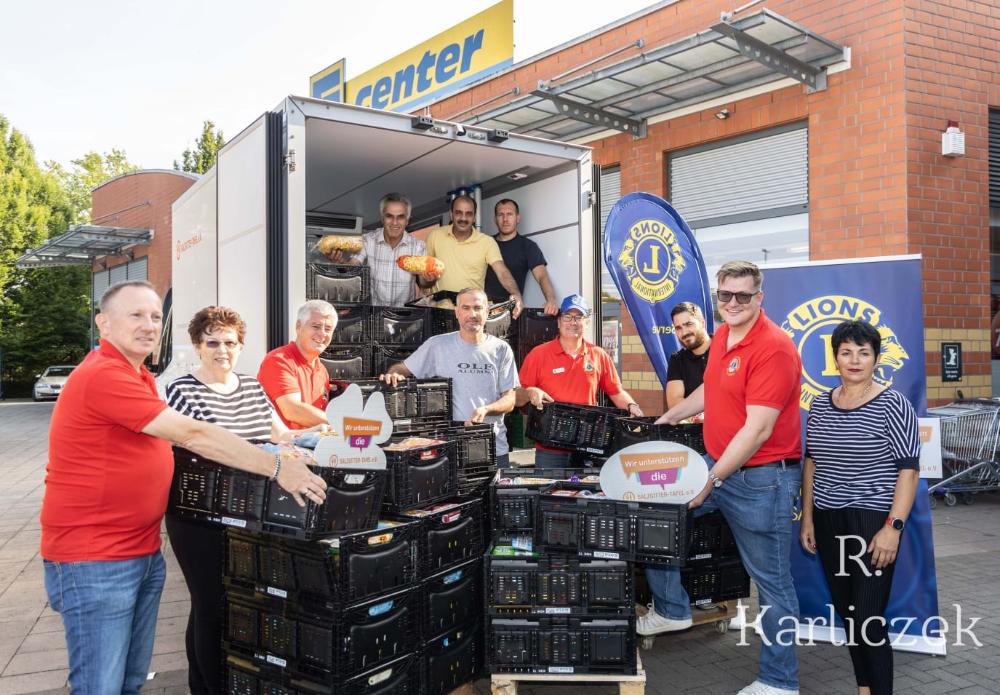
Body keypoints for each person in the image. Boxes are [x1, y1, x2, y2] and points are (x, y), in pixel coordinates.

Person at [40, 281, 327, 695]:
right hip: (95, 559)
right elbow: (193, 434)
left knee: (127, 680)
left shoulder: (137, 375)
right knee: (99, 685)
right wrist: (277, 466)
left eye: (155, 316)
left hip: (137, 549)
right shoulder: (104, 374)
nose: (148, 325)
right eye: (135, 315)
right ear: (103, 322)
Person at [647, 261, 803, 695]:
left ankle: (780, 681)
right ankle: (673, 608)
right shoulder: (722, 340)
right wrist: (666, 418)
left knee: (772, 584)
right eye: (725, 295)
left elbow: (758, 430)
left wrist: (711, 478)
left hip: (761, 481)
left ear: (759, 299)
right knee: (656, 517)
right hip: (718, 468)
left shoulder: (774, 347)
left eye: (743, 296)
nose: (732, 303)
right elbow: (707, 392)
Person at [165, 306, 327, 695]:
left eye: (231, 343)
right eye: (213, 343)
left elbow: (282, 435)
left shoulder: (252, 386)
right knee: (211, 604)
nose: (223, 350)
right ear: (197, 346)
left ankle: (200, 685)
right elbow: (192, 444)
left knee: (222, 602)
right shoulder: (181, 390)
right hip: (198, 514)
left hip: (248, 513)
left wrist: (326, 434)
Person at [800, 320, 919, 695]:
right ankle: (864, 688)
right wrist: (808, 517)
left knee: (868, 617)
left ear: (876, 359)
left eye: (863, 353)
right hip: (828, 517)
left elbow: (909, 471)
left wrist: (893, 527)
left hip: (872, 522)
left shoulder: (893, 404)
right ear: (835, 358)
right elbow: (812, 462)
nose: (854, 360)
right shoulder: (820, 404)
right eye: (846, 352)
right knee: (849, 613)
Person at [381, 287, 519, 465]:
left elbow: (510, 399)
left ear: (487, 311)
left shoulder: (501, 349)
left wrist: (486, 409)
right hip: (450, 446)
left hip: (493, 445)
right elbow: (402, 369)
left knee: (493, 492)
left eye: (478, 308)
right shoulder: (438, 345)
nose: (472, 314)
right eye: (466, 308)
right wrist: (393, 375)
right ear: (456, 312)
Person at [516, 293, 643, 467]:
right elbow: (517, 396)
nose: (572, 322)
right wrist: (530, 391)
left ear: (587, 322)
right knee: (549, 493)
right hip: (549, 449)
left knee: (585, 493)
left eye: (578, 317)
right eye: (567, 317)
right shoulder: (538, 354)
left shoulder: (598, 355)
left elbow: (616, 391)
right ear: (559, 322)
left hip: (586, 446)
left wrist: (632, 406)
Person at [425, 194, 523, 317]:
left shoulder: (487, 242)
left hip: (472, 312)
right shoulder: (435, 236)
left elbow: (502, 271)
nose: (463, 218)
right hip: (439, 312)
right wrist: (426, 285)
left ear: (475, 217)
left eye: (469, 214)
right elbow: (424, 276)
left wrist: (516, 294)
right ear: (451, 214)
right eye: (458, 213)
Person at [333, 192, 436, 306]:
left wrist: (429, 279)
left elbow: (423, 283)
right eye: (389, 216)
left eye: (400, 217)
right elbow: (352, 268)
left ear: (407, 220)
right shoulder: (368, 240)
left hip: (404, 317)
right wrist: (340, 263)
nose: (394, 222)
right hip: (374, 317)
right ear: (382, 218)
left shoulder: (418, 246)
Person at [258, 299, 337, 429]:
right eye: (316, 326)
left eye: (328, 329)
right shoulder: (279, 360)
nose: (322, 334)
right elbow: (293, 411)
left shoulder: (322, 371)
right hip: (280, 447)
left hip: (313, 445)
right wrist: (345, 425)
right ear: (298, 326)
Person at [484, 199, 559, 314]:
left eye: (510, 214)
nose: (505, 219)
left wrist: (551, 300)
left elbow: (542, 276)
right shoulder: (486, 243)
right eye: (500, 215)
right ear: (495, 219)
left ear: (518, 218)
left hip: (512, 311)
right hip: (482, 310)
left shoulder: (528, 246)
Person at [666, 301, 712, 409]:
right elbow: (674, 405)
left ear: (702, 322)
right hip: (693, 426)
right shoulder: (677, 360)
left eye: (688, 324)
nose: (684, 332)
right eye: (678, 328)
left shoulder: (726, 350)